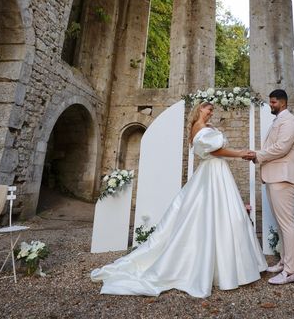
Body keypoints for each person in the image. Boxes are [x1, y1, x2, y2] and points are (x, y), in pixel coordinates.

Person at [91, 101, 267, 298]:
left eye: (212, 111)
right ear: (201, 108)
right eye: (209, 109)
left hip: (217, 171)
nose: (211, 112)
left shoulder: (206, 128)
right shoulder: (199, 128)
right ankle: (219, 269)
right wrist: (239, 153)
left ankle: (230, 267)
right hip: (213, 171)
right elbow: (214, 151)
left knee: (225, 215)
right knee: (213, 215)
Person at [244, 89, 294, 285]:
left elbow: (282, 147)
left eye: (274, 102)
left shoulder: (290, 121)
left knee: (287, 224)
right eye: (270, 102)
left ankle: (291, 271)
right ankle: (284, 262)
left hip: (284, 177)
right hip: (275, 177)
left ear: (283, 103)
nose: (271, 105)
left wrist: (257, 155)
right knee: (281, 224)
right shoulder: (279, 121)